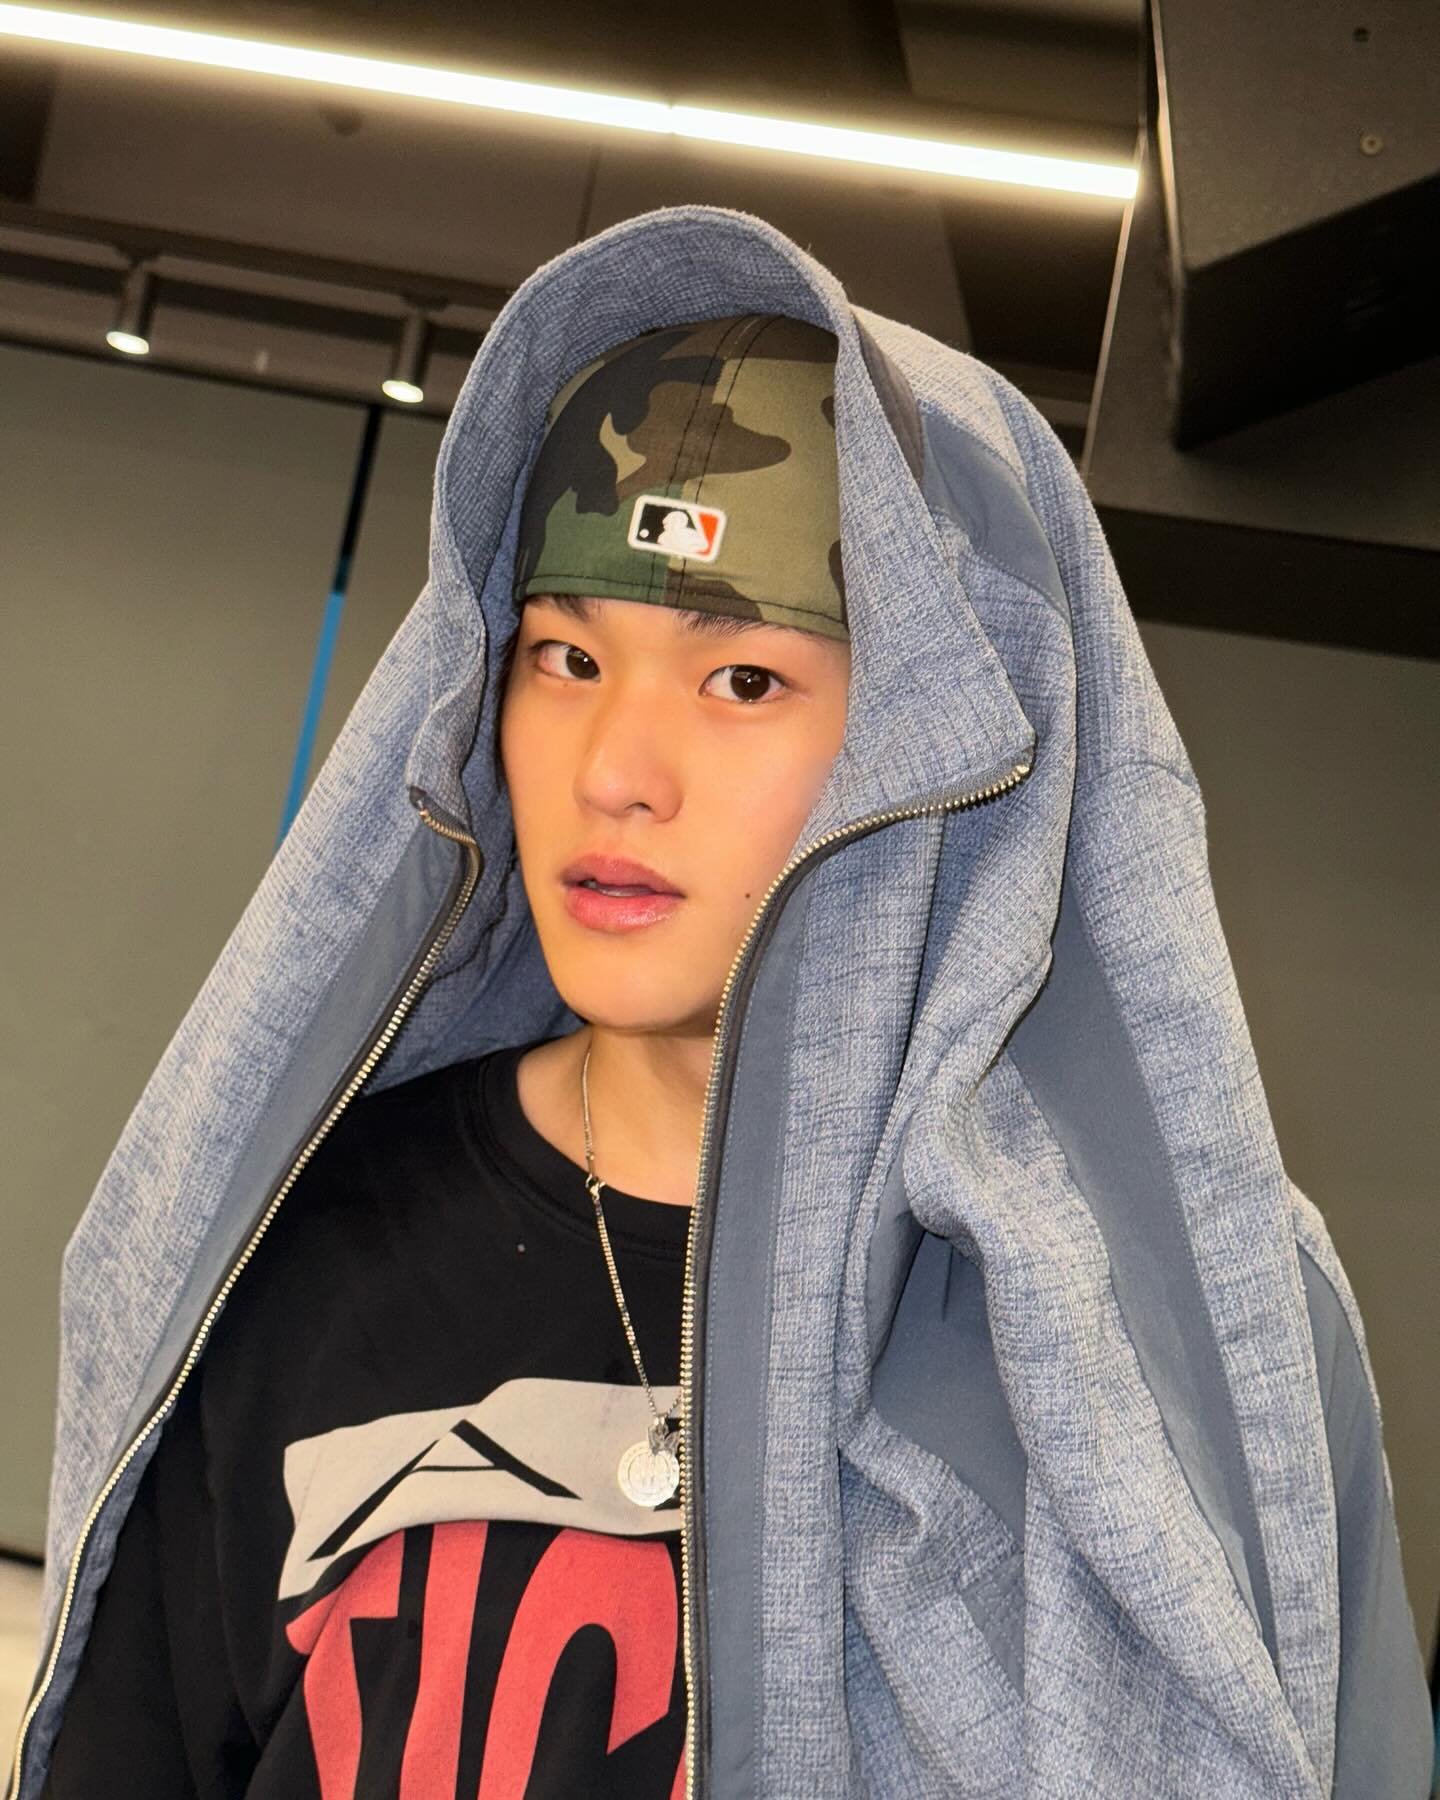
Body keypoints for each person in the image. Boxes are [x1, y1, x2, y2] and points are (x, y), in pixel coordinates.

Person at [12, 207, 1431, 1800]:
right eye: (564, 658)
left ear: (933, 751)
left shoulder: (1188, 1311)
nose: (614, 771)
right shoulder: (302, 1238)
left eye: (744, 679)